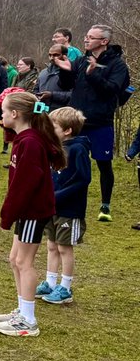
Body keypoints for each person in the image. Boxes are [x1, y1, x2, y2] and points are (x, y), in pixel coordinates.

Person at [0, 92, 67, 337]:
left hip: (33, 211)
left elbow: (25, 183)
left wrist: (8, 213)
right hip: (26, 211)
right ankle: (22, 310)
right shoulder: (23, 139)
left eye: (4, 111)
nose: (1, 115)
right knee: (15, 259)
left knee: (24, 262)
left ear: (14, 114)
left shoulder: (31, 143)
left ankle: (28, 320)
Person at [55, 24, 130, 222]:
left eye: (91, 37)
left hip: (100, 122)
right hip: (76, 122)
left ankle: (105, 206)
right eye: (86, 36)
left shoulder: (117, 65)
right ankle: (63, 197)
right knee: (67, 160)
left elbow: (112, 90)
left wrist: (93, 74)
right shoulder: (81, 60)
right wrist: (65, 71)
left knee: (104, 164)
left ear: (104, 41)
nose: (86, 39)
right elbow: (66, 85)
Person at [39, 107, 90, 305]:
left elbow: (82, 179)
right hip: (53, 207)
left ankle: (65, 288)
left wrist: (59, 196)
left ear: (67, 130)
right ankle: (50, 283)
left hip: (70, 209)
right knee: (51, 245)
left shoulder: (78, 150)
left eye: (54, 127)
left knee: (64, 247)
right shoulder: (56, 148)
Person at [36, 45, 73, 109]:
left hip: (61, 111)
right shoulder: (43, 72)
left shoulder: (73, 72)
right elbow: (36, 89)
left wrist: (52, 95)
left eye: (56, 55)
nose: (51, 58)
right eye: (50, 55)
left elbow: (74, 95)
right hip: (41, 111)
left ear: (65, 55)